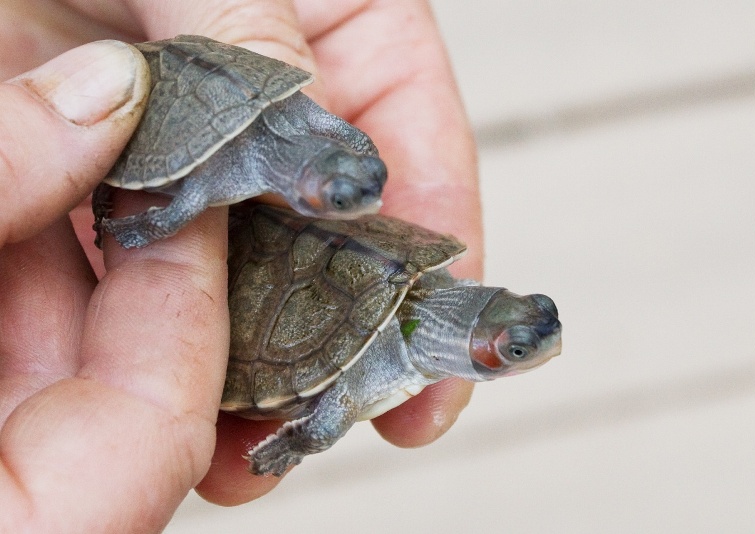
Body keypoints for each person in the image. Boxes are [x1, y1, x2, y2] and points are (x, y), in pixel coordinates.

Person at [0, 1, 483, 530]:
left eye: (364, 187)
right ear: (307, 187)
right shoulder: (225, 173)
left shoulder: (301, 114)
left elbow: (349, 137)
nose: (366, 205)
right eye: (345, 200)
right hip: (124, 106)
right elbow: (181, 208)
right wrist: (137, 228)